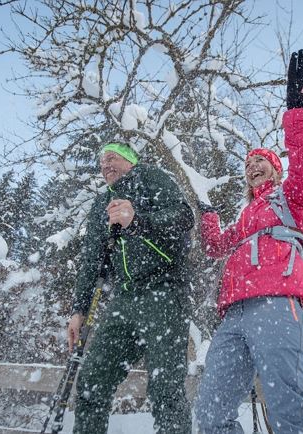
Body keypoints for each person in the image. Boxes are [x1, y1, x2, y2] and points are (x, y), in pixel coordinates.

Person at [195, 48, 303, 433]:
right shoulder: (245, 217)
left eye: (260, 160)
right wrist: (207, 215)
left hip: (280, 303)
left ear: (276, 167)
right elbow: (216, 246)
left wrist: (296, 108)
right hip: (234, 313)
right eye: (248, 162)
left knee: (287, 412)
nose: (251, 165)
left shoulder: (291, 198)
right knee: (211, 414)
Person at [67, 142, 194, 434]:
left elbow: (182, 217)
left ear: (130, 160)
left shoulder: (149, 177)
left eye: (111, 157)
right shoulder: (101, 204)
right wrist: (79, 310)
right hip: (124, 299)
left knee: (165, 386)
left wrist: (136, 220)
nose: (105, 164)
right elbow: (92, 261)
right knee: (92, 380)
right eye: (100, 162)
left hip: (164, 290)